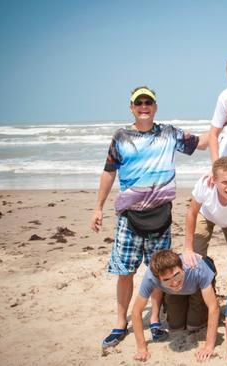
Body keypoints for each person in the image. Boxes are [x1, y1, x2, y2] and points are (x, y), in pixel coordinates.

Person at [90, 86, 207, 348]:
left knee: (159, 271)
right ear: (132, 107)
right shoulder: (120, 137)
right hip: (129, 218)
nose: (144, 106)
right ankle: (120, 323)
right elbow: (109, 172)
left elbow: (202, 143)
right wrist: (98, 207)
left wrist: (226, 124)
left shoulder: (169, 133)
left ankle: (154, 319)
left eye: (148, 102)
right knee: (125, 272)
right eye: (139, 102)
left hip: (161, 217)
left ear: (155, 107)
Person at [131, 249, 219, 362]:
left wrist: (208, 347)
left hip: (197, 287)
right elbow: (136, 311)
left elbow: (213, 308)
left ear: (182, 268)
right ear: (158, 278)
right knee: (176, 327)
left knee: (194, 326)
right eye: (166, 280)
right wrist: (142, 348)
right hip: (173, 292)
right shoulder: (151, 277)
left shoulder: (197, 268)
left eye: (177, 276)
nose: (175, 282)